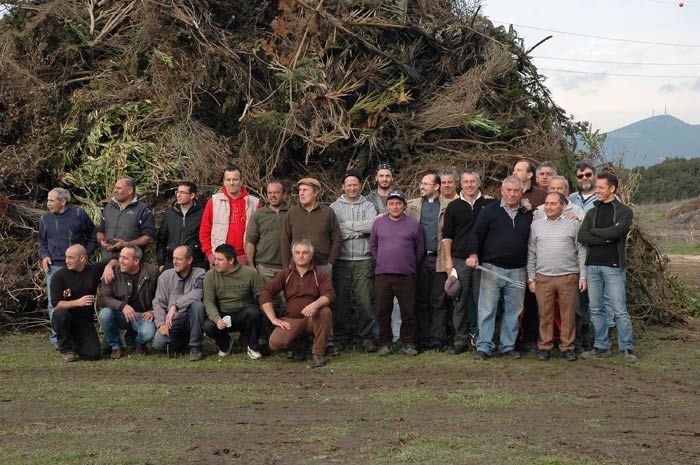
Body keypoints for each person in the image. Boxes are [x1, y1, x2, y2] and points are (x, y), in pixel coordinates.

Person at [467, 176, 532, 360]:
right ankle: (484, 346)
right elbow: (476, 235)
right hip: (492, 268)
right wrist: (473, 254)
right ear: (502, 191)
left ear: (521, 193)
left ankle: (507, 346)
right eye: (508, 190)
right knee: (487, 310)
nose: (512, 194)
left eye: (516, 191)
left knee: (513, 311)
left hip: (518, 269)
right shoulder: (489, 211)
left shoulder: (528, 213)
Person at [578, 172, 638, 363]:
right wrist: (606, 237)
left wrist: (596, 234)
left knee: (619, 309)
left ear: (612, 188)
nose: (597, 191)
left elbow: (619, 231)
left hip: (613, 267)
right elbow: (582, 236)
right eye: (597, 187)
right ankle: (601, 346)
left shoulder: (624, 211)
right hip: (593, 266)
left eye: (601, 187)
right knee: (596, 309)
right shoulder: (592, 212)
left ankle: (627, 348)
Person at [527, 193, 587, 362]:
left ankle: (567, 347)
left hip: (568, 276)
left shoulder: (573, 224)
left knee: (568, 315)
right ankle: (545, 346)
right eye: (546, 204)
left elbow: (581, 251)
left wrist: (583, 275)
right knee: (544, 314)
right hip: (543, 277)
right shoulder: (536, 226)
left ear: (562, 205)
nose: (549, 207)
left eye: (553, 204)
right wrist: (531, 278)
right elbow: (531, 253)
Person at [38, 187, 98, 349]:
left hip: (78, 267)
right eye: (48, 200)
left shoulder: (79, 215)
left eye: (51, 200)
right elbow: (42, 243)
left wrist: (86, 254)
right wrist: (44, 256)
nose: (48, 203)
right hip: (55, 267)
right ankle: (57, 339)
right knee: (55, 303)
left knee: (80, 301)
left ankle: (81, 335)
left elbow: (93, 234)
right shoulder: (45, 219)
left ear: (63, 201)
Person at [260, 239, 335, 368]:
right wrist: (273, 319)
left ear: (311, 256)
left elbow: (330, 295)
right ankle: (300, 346)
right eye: (297, 252)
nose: (301, 256)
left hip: (312, 318)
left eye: (305, 253)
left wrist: (315, 305)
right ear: (293, 255)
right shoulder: (285, 274)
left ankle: (318, 353)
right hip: (292, 319)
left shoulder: (320, 274)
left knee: (325, 311)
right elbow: (266, 292)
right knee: (275, 343)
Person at [442, 170, 494, 354]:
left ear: (479, 183)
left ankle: (482, 340)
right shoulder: (453, 206)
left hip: (484, 262)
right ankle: (460, 341)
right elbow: (447, 235)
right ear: (460, 184)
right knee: (459, 301)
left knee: (483, 302)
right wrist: (448, 261)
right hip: (460, 261)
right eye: (466, 182)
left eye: (473, 181)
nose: (469, 185)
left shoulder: (489, 204)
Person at [370, 190, 424, 356]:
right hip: (383, 274)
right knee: (383, 311)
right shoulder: (379, 223)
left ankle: (408, 342)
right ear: (386, 206)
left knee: (408, 311)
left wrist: (409, 263)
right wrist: (382, 260)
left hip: (406, 275)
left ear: (404, 206)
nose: (395, 206)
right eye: (392, 203)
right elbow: (373, 245)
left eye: (398, 203)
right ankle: (385, 343)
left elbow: (419, 248)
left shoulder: (413, 224)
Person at [330, 170, 377, 351]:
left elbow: (372, 226)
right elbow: (335, 232)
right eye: (348, 185)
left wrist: (348, 227)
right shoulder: (334, 207)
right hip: (340, 261)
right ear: (343, 186)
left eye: (355, 184)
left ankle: (366, 337)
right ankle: (340, 337)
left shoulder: (368, 205)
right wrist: (359, 231)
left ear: (360, 186)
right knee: (340, 302)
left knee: (365, 301)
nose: (352, 188)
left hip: (363, 260)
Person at [407, 173, 451, 351]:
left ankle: (437, 340)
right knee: (421, 301)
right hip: (418, 260)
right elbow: (393, 214)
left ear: (437, 187)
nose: (422, 187)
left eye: (426, 184)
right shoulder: (412, 206)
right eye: (421, 183)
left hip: (439, 260)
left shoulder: (449, 206)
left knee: (439, 302)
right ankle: (423, 340)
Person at [202, 244, 264, 360]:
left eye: (220, 260)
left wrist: (269, 314)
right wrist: (217, 319)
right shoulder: (210, 275)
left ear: (231, 260)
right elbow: (208, 302)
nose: (216, 263)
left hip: (243, 313)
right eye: (215, 259)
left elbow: (262, 295)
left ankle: (253, 347)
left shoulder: (249, 273)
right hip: (222, 315)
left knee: (254, 313)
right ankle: (225, 344)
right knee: (208, 326)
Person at [97, 245, 158, 359]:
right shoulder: (111, 272)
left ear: (136, 261)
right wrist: (122, 306)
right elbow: (103, 298)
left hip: (143, 316)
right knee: (105, 314)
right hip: (120, 315)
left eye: (125, 258)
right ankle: (116, 346)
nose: (120, 260)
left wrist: (153, 311)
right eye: (120, 257)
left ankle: (139, 343)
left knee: (148, 334)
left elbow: (161, 295)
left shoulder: (152, 271)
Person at [49, 245, 104, 362]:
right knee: (60, 314)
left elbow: (114, 260)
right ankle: (67, 350)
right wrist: (78, 302)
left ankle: (76, 343)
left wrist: (109, 267)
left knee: (93, 355)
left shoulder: (93, 271)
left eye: (71, 258)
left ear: (82, 259)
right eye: (66, 257)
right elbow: (57, 304)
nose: (67, 261)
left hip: (84, 321)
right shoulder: (58, 276)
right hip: (66, 319)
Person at [152, 246, 207, 361]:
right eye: (173, 258)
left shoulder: (200, 274)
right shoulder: (165, 276)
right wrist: (161, 324)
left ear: (189, 260)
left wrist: (175, 306)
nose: (175, 262)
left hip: (191, 318)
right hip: (173, 321)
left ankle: (195, 347)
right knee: (158, 344)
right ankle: (184, 343)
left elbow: (198, 293)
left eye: (179, 259)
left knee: (197, 306)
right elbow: (158, 302)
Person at [199, 164, 261, 267]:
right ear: (224, 182)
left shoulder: (254, 203)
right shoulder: (213, 202)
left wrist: (252, 258)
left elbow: (261, 233)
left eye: (235, 179)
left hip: (245, 258)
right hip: (219, 257)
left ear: (241, 181)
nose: (231, 183)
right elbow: (204, 231)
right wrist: (210, 255)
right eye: (228, 180)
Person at [281, 177, 342, 273]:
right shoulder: (292, 212)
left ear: (316, 193)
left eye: (305, 190)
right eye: (300, 190)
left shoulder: (327, 212)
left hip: (322, 267)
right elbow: (285, 241)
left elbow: (337, 238)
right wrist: (287, 267)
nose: (301, 193)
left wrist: (330, 264)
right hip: (296, 268)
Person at [96, 178, 156, 262]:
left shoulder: (143, 210)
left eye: (119, 188)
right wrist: (101, 240)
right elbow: (100, 231)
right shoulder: (109, 207)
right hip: (106, 260)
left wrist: (127, 244)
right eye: (115, 188)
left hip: (130, 263)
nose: (115, 191)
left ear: (130, 190)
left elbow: (149, 238)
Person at [245, 180, 288, 288]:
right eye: (270, 193)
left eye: (277, 193)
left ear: (284, 195)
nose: (273, 196)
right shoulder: (258, 215)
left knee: (286, 302)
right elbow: (250, 242)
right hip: (264, 268)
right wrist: (251, 265)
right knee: (266, 301)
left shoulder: (292, 213)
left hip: (286, 268)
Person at [156, 181, 207, 271]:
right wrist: (161, 263)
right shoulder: (169, 213)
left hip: (195, 262)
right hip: (171, 262)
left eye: (182, 192)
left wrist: (205, 263)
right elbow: (162, 239)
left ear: (192, 195)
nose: (178, 195)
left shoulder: (202, 214)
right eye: (178, 192)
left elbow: (206, 239)